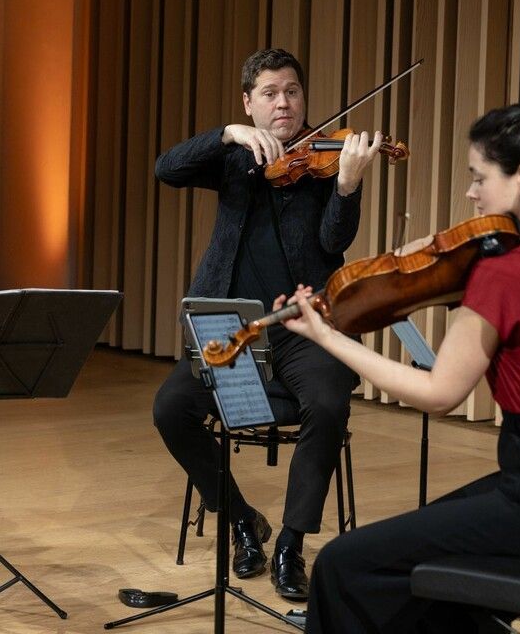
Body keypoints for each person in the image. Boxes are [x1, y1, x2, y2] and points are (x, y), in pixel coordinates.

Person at [277, 103, 520, 633]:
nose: (470, 193)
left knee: (342, 564)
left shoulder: (504, 274)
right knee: (428, 584)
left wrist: (328, 336)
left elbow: (440, 392)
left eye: (479, 177)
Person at [152, 48, 384, 600]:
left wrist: (348, 187)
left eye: (294, 91)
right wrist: (226, 135)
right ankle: (240, 519)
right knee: (171, 409)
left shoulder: (327, 158)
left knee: (328, 404)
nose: (284, 103)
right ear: (249, 102)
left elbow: (333, 242)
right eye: (270, 93)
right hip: (229, 327)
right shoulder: (232, 157)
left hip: (306, 326)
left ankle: (291, 542)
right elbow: (167, 168)